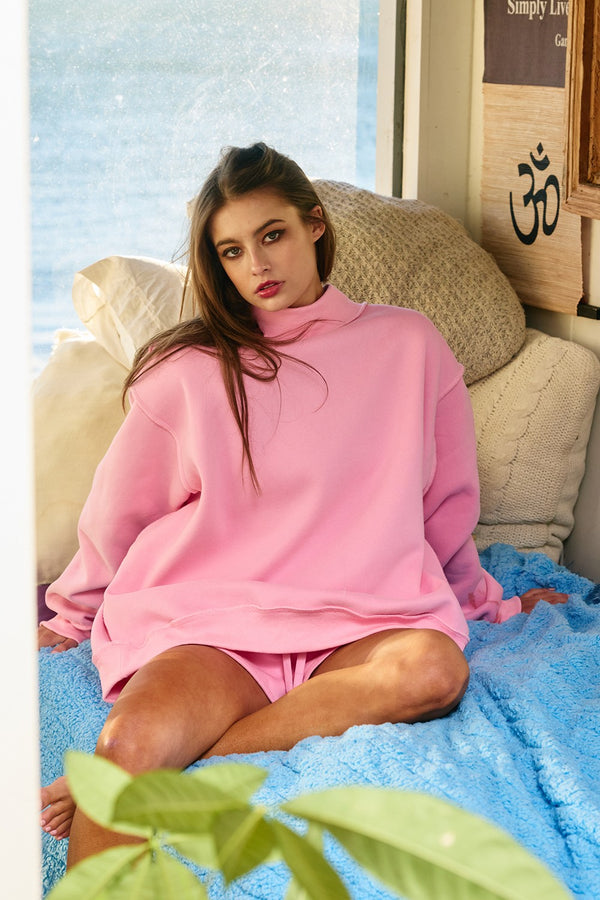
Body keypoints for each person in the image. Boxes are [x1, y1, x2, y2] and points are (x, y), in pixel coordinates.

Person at [38, 143, 566, 865]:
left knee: (435, 672)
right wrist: (70, 616)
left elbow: (445, 508)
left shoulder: (408, 345)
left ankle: (170, 772)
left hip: (366, 619)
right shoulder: (189, 370)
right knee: (126, 742)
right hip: (216, 626)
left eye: (272, 235)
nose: (257, 265)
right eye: (231, 251)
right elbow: (118, 512)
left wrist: (486, 603)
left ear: (315, 224)